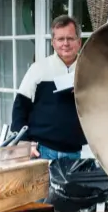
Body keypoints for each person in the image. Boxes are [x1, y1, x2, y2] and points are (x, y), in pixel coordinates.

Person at [10, 15, 87, 161]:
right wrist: (25, 144)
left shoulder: (88, 71)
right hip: (41, 151)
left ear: (79, 42)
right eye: (60, 39)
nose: (65, 43)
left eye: (70, 38)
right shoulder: (38, 69)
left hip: (74, 153)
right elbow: (20, 108)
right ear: (53, 42)